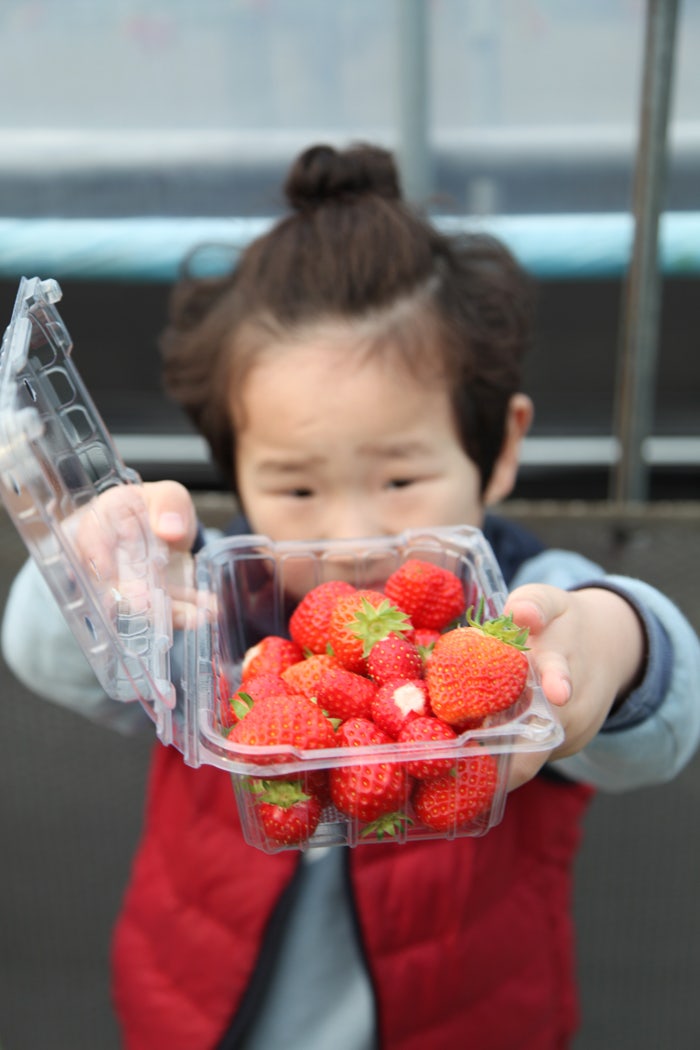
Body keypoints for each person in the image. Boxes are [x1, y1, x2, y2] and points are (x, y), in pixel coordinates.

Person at [3, 142, 700, 1050]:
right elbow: (45, 657)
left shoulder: (520, 609)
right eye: (295, 490)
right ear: (237, 479)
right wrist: (114, 585)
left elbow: (665, 706)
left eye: (403, 478)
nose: (356, 538)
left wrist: (608, 648)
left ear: (500, 448)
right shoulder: (206, 609)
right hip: (202, 1017)